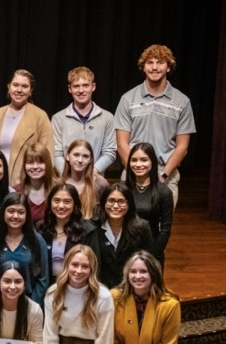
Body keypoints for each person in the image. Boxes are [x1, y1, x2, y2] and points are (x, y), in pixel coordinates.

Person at [115, 44, 196, 203]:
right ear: (143, 67)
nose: (154, 67)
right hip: (133, 171)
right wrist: (136, 171)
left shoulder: (182, 102)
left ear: (168, 67)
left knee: (161, 227)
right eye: (149, 63)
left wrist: (163, 175)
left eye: (160, 62)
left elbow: (182, 147)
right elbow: (121, 144)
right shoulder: (128, 99)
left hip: (165, 175)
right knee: (130, 226)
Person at [84, 182, 154, 289]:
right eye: (111, 201)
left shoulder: (142, 228)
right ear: (103, 203)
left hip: (131, 289)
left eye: (121, 201)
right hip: (99, 291)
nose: (115, 206)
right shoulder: (92, 228)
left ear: (129, 204)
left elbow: (148, 262)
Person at [51, 66, 118, 175]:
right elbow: (55, 153)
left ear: (93, 87)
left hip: (95, 180)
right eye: (76, 86)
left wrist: (92, 173)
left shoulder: (107, 118)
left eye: (85, 85)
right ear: (69, 89)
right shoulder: (58, 118)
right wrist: (69, 176)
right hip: (67, 181)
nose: (81, 90)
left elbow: (110, 152)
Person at [0, 70, 53, 185]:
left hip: (25, 183)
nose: (19, 90)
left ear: (30, 91)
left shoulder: (40, 116)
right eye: (15, 85)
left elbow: (47, 155)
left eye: (24, 86)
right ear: (9, 87)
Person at [0, 192, 51, 307]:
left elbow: (43, 279)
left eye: (21, 212)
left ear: (27, 215)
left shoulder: (37, 241)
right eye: (11, 211)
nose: (15, 216)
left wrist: (31, 305)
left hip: (29, 302)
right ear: (3, 212)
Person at [124, 142, 174, 266]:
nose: (138, 164)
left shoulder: (164, 192)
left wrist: (152, 256)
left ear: (152, 162)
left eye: (144, 160)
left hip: (152, 248)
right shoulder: (122, 189)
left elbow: (165, 230)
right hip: (125, 247)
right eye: (134, 160)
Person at [41, 183, 91, 279]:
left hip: (76, 283)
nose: (61, 206)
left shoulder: (86, 230)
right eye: (56, 201)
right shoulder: (41, 229)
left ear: (75, 204)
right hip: (47, 285)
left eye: (67, 201)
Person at [60, 139, 108, 219]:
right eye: (76, 155)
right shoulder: (59, 184)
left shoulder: (100, 184)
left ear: (91, 160)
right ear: (68, 156)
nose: (80, 160)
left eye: (85, 156)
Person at [14, 142, 56, 229]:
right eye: (30, 162)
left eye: (40, 162)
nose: (35, 167)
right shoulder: (16, 191)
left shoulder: (58, 190)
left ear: (47, 164)